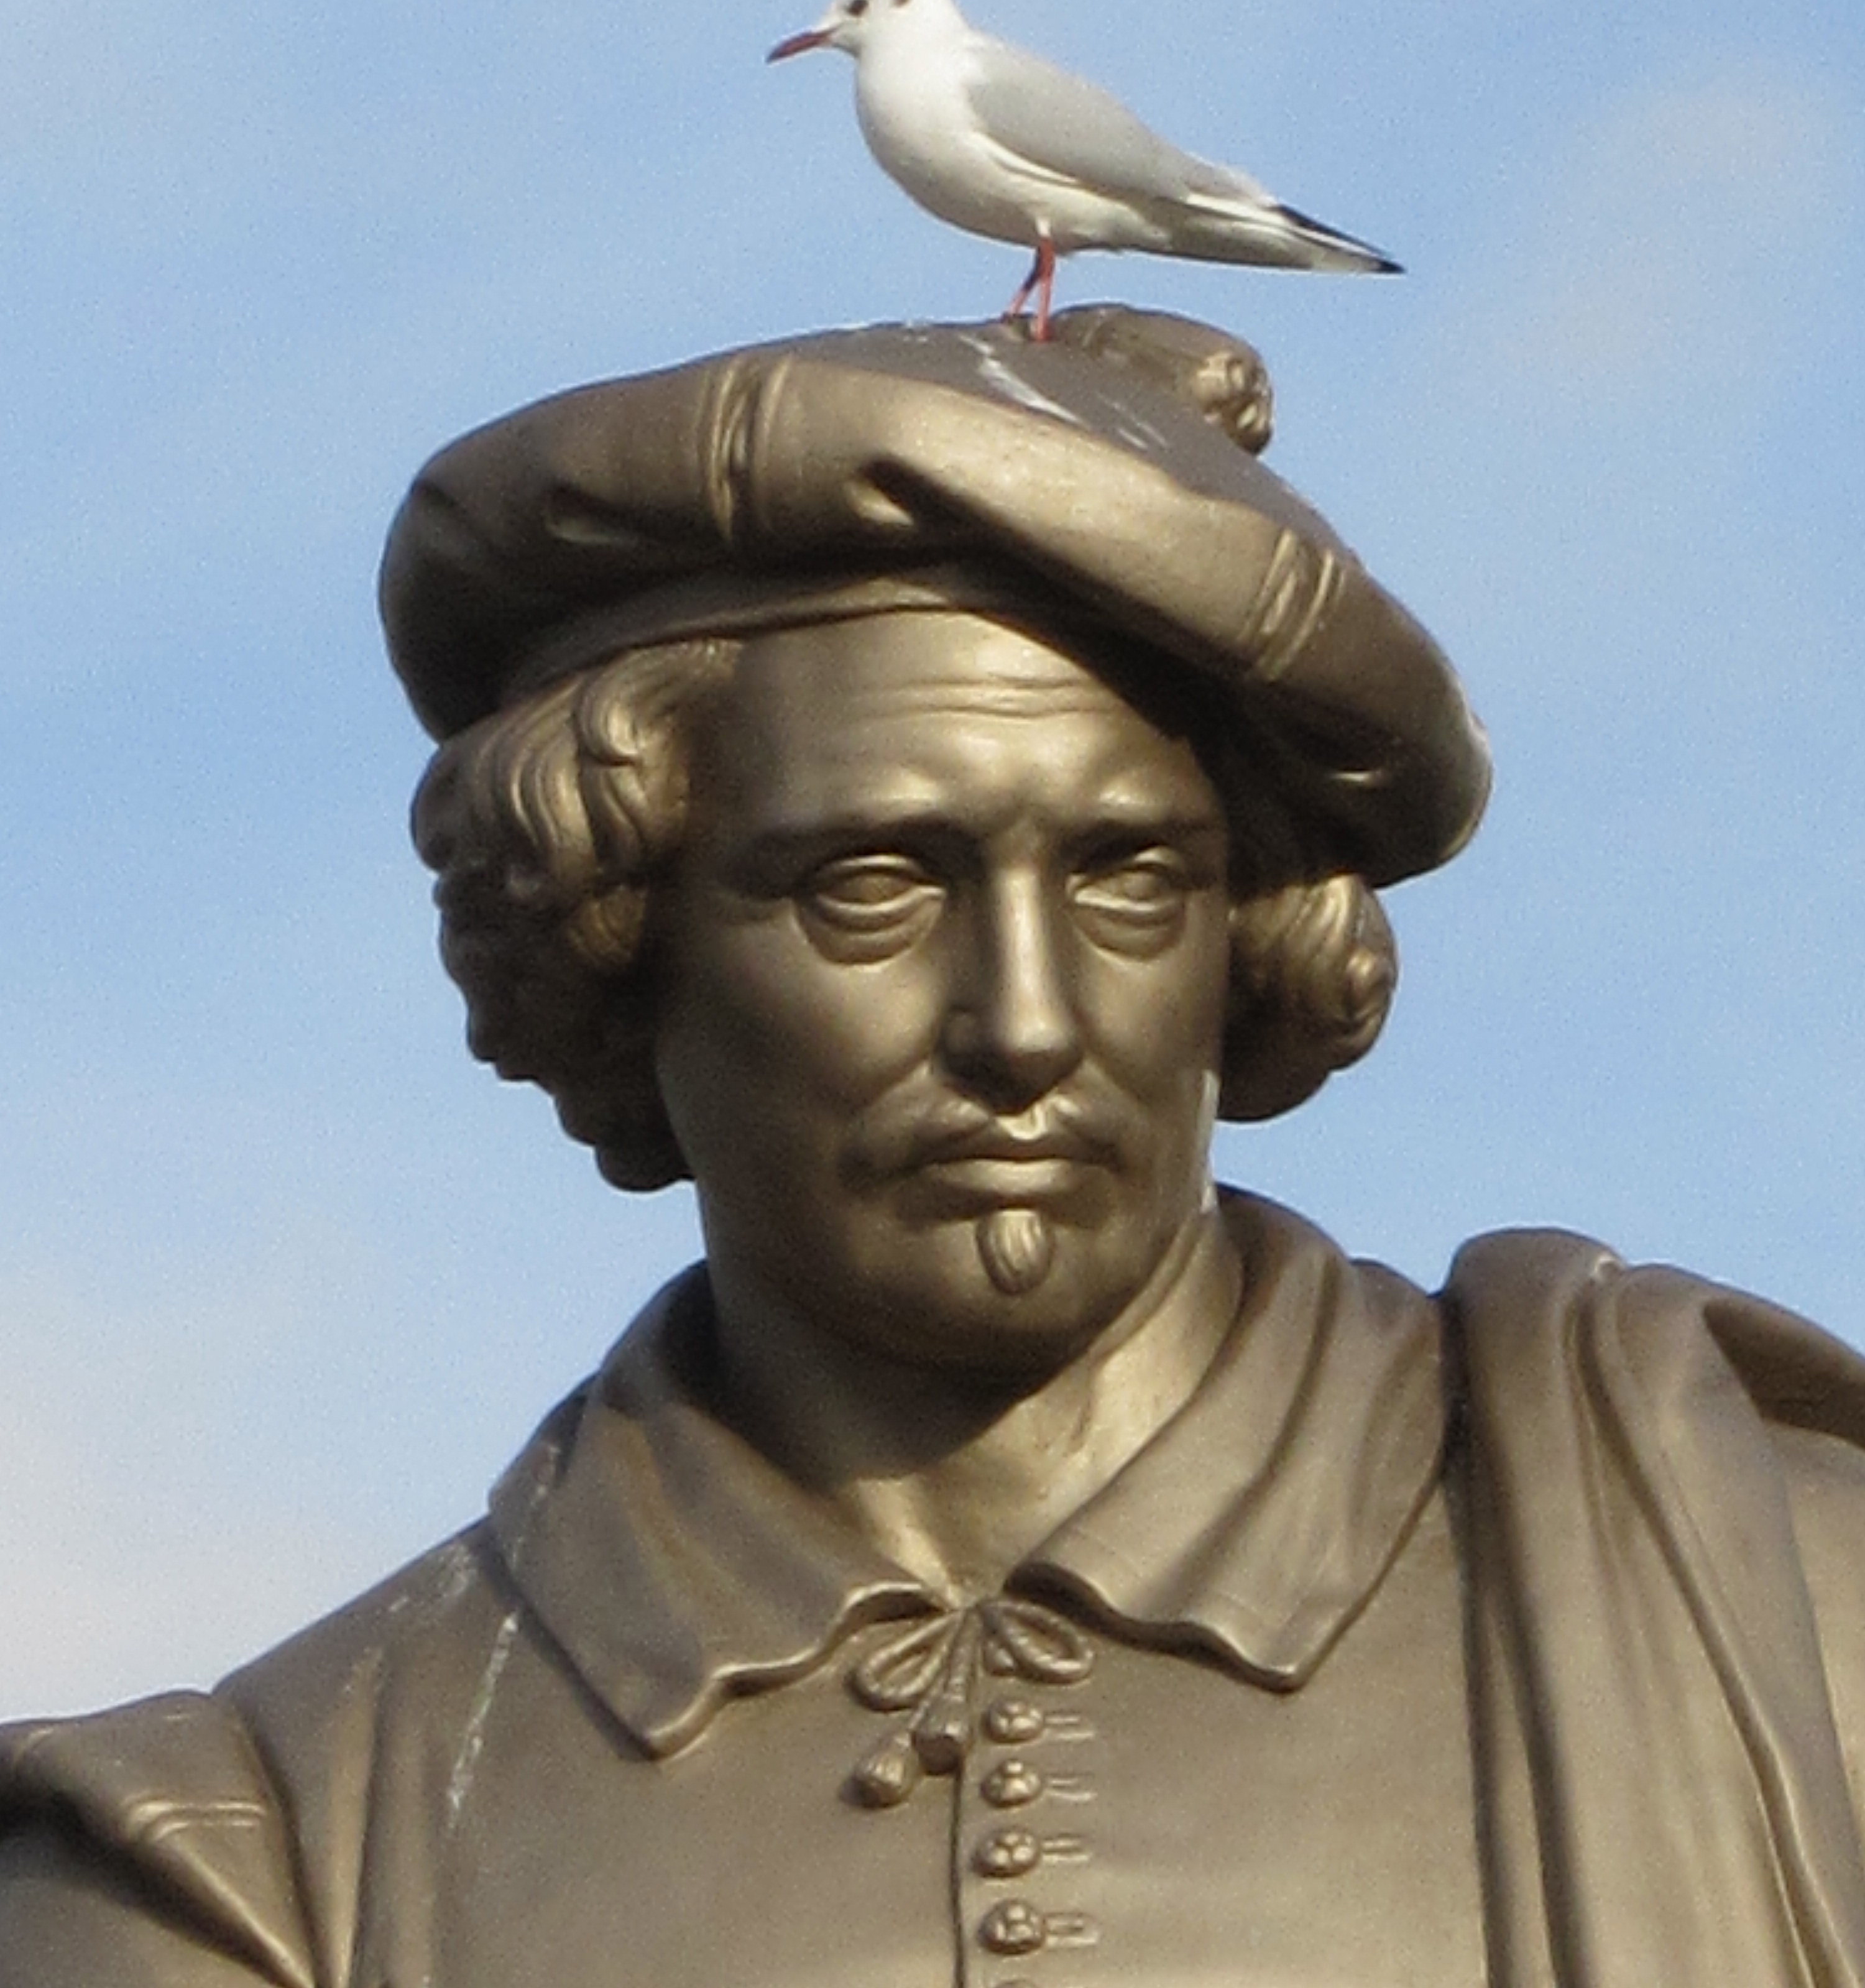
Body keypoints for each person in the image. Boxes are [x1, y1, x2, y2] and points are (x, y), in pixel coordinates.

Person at [4, 308, 1865, 1988]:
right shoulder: (255, 1859)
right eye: (873, 887)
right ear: (617, 945)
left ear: (1248, 931)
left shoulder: (1781, 1602)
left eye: (1130, 878)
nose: (1026, 1025)